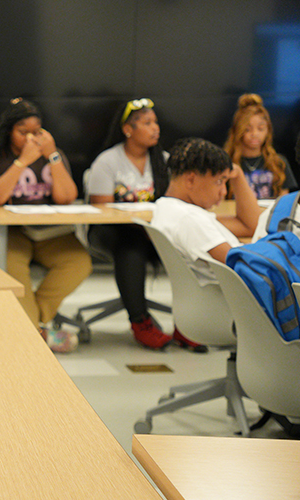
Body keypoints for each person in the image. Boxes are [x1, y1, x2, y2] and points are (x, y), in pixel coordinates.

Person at [0, 98, 91, 352]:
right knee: (13, 272)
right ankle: (37, 333)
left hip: (48, 232)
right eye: (22, 132)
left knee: (79, 262)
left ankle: (33, 327)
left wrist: (53, 156)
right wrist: (22, 162)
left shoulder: (52, 154)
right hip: (8, 232)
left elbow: (67, 197)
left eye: (36, 132)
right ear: (8, 131)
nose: (30, 139)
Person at [86, 98, 186, 350]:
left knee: (186, 248)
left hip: (155, 231)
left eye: (156, 122)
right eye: (147, 123)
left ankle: (186, 325)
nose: (156, 128)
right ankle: (141, 322)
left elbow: (175, 203)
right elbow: (101, 210)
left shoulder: (164, 160)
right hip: (112, 232)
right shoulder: (107, 161)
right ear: (128, 129)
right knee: (131, 246)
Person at [152, 137, 259, 282]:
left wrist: (238, 175)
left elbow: (249, 226)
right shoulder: (190, 219)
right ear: (190, 180)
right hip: (239, 296)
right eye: (219, 181)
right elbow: (245, 265)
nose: (223, 192)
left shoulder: (166, 208)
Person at [223, 93, 297, 199]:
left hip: (269, 215)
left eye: (261, 128)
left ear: (268, 131)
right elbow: (220, 205)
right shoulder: (225, 165)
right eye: (247, 129)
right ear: (237, 131)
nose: (255, 134)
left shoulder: (279, 163)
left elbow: (283, 205)